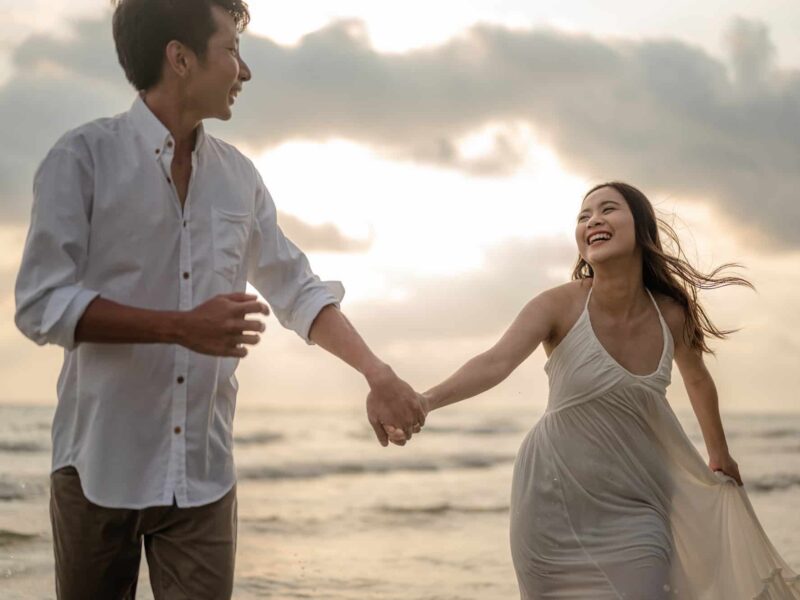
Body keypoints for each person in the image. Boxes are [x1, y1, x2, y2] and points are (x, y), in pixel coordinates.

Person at [14, 1, 425, 598]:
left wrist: (377, 373)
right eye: (231, 50)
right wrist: (178, 327)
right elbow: (40, 303)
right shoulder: (81, 159)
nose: (244, 70)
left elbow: (297, 287)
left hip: (203, 477)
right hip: (97, 467)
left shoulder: (239, 177)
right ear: (179, 58)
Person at [388, 182, 800, 598]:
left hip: (640, 501)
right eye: (584, 216)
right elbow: (496, 362)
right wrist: (426, 400)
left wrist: (719, 453)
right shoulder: (558, 306)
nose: (593, 221)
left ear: (640, 229)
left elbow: (697, 378)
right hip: (551, 500)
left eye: (608, 210)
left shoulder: (670, 315)